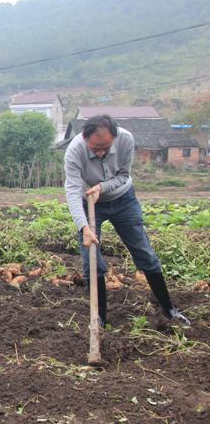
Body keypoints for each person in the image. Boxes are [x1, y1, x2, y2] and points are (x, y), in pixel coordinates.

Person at [64, 114, 190, 328]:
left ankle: (170, 310)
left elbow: (123, 176)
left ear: (114, 136)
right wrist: (84, 227)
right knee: (91, 260)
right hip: (91, 203)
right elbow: (73, 190)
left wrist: (103, 187)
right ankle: (100, 320)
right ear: (85, 139)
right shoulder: (74, 151)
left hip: (123, 199)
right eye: (95, 148)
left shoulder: (126, 139)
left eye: (105, 147)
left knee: (144, 252)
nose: (101, 152)